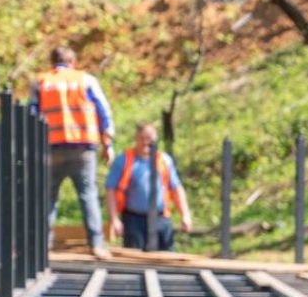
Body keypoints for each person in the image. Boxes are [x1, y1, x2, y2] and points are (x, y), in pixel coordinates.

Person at [33, 46, 114, 260]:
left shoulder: (42, 82)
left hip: (51, 148)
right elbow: (103, 111)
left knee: (48, 197)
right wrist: (108, 144)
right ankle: (96, 244)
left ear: (52, 63)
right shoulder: (85, 80)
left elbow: (32, 114)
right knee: (88, 195)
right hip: (82, 148)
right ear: (73, 61)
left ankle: (43, 246)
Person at [105, 123, 193, 251]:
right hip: (134, 219)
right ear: (136, 138)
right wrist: (114, 219)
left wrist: (185, 214)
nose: (146, 142)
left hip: (160, 218)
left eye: (150, 138)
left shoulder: (164, 160)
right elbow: (111, 190)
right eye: (142, 138)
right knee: (134, 260)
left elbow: (176, 188)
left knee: (166, 258)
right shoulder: (124, 160)